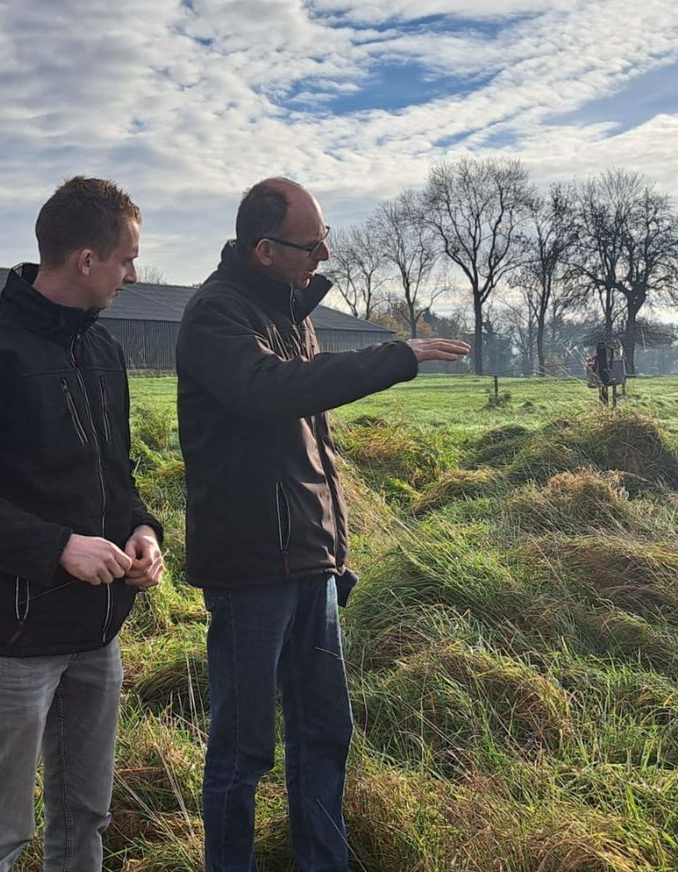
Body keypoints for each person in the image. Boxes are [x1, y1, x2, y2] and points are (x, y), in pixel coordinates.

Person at [175, 177, 468, 871]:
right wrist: (397, 357)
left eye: (327, 238)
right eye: (314, 244)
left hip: (309, 560)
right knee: (243, 749)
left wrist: (335, 550)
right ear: (266, 248)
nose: (325, 255)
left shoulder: (289, 311)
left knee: (324, 732)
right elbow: (273, 393)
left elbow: (313, 446)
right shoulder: (217, 315)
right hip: (251, 568)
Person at [0, 176, 166, 872]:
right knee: (1, 832)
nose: (134, 275)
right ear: (85, 259)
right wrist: (57, 549)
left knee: (85, 816)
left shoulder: (103, 353)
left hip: (98, 631)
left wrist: (144, 533)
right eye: (126, 259)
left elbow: (116, 477)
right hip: (15, 636)